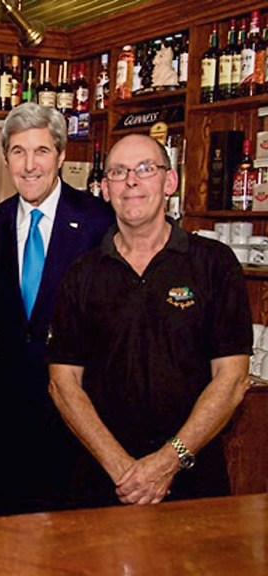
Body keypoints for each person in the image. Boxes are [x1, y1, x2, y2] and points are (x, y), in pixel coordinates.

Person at [48, 134, 251, 507]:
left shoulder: (214, 264)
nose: (131, 181)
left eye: (145, 169)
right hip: (102, 483)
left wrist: (167, 462)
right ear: (105, 189)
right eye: (119, 172)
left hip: (193, 483)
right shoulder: (82, 274)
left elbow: (232, 379)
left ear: (170, 182)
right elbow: (63, 384)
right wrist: (124, 470)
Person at [0, 102, 114, 514]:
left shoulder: (99, 222)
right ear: (6, 159)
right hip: (8, 413)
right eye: (18, 151)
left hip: (79, 413)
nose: (29, 164)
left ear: (61, 155)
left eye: (41, 151)